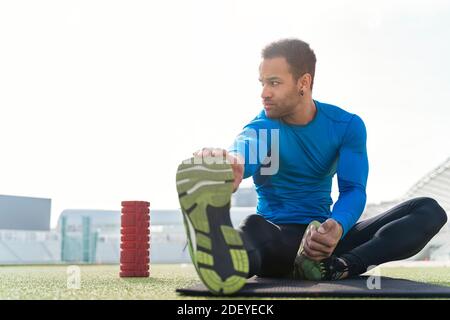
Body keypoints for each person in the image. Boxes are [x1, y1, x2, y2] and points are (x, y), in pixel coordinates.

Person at [175, 38, 448, 295]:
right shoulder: (263, 127)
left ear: (303, 82)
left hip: (326, 242)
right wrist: (229, 165)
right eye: (262, 83)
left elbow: (353, 189)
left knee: (428, 210)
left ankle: (340, 267)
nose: (264, 93)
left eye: (274, 83)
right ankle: (223, 254)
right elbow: (245, 150)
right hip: (277, 235)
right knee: (256, 231)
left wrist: (337, 225)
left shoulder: (345, 126)